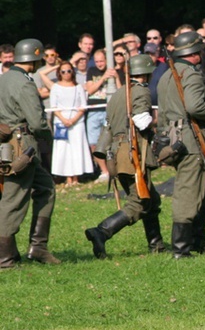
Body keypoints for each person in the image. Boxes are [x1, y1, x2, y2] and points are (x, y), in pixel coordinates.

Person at [85, 54, 164, 259]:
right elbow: (141, 121)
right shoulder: (140, 91)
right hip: (132, 154)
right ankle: (101, 232)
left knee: (150, 199)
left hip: (116, 153)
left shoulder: (120, 93)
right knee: (138, 202)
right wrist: (159, 118)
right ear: (147, 72)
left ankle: (156, 245)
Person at [157, 31, 205, 258]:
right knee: (187, 193)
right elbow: (195, 107)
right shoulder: (191, 75)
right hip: (191, 141)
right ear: (195, 54)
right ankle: (181, 248)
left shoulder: (166, 76)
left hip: (175, 138)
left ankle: (197, 239)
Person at [0, 39, 60, 267]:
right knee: (13, 200)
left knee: (46, 188)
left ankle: (38, 247)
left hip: (9, 144)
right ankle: (4, 258)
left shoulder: (3, 79)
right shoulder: (25, 84)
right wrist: (47, 135)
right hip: (21, 147)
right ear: (34, 59)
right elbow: (36, 122)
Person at [44, 61, 93, 186]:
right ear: (59, 73)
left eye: (69, 71)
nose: (66, 74)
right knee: (64, 149)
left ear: (73, 72)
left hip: (77, 122)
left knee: (77, 148)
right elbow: (54, 107)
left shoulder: (78, 87)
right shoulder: (55, 87)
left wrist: (74, 119)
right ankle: (67, 177)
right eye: (63, 71)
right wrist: (64, 119)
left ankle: (76, 177)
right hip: (61, 122)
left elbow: (83, 105)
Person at [86, 49, 117, 182]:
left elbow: (120, 90)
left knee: (110, 141)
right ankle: (104, 171)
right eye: (97, 61)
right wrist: (103, 77)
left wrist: (114, 77)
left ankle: (114, 169)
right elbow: (90, 90)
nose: (99, 64)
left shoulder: (114, 70)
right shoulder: (91, 71)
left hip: (108, 109)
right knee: (93, 143)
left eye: (102, 61)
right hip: (93, 110)